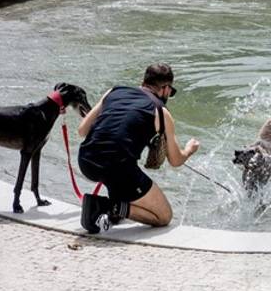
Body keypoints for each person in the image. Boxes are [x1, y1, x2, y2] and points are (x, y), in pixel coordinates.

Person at [77, 63, 200, 232]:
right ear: (165, 89)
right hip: (117, 168)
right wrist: (189, 149)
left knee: (120, 173)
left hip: (86, 160)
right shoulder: (161, 112)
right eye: (171, 91)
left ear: (143, 81)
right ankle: (107, 207)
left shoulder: (114, 91)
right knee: (164, 216)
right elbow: (176, 160)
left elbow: (82, 130)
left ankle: (114, 209)